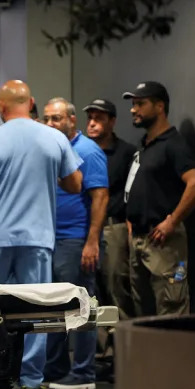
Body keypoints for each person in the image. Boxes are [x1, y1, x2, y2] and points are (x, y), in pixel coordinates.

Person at [0, 81, 83, 389]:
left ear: (1, 106)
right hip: (38, 239)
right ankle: (31, 379)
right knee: (35, 309)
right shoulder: (55, 138)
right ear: (32, 102)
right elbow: (75, 184)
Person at [41, 98, 109, 389]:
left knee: (79, 304)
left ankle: (83, 373)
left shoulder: (87, 151)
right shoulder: (52, 150)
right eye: (46, 119)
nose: (50, 124)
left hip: (76, 239)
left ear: (72, 120)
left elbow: (100, 197)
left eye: (56, 119)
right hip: (52, 239)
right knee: (54, 307)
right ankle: (56, 368)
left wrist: (91, 241)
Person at [122, 81, 195, 317]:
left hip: (164, 244)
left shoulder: (173, 144)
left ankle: (175, 355)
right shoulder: (146, 145)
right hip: (139, 239)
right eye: (132, 104)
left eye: (140, 104)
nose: (133, 109)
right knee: (143, 311)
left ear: (159, 106)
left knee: (171, 308)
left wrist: (172, 221)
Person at [83, 98, 137, 318]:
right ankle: (101, 349)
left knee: (116, 285)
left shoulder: (126, 152)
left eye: (99, 119)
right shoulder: (82, 150)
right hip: (85, 228)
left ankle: (122, 344)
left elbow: (132, 193)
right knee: (90, 290)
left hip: (113, 227)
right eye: (90, 118)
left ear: (112, 121)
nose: (92, 124)